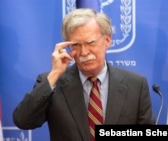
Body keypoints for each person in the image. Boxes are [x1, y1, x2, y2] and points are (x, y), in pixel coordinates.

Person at [13, 8, 155, 141]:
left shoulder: (135, 84)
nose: (84, 52)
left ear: (107, 40)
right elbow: (23, 121)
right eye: (75, 45)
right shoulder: (52, 82)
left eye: (90, 43)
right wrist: (55, 74)